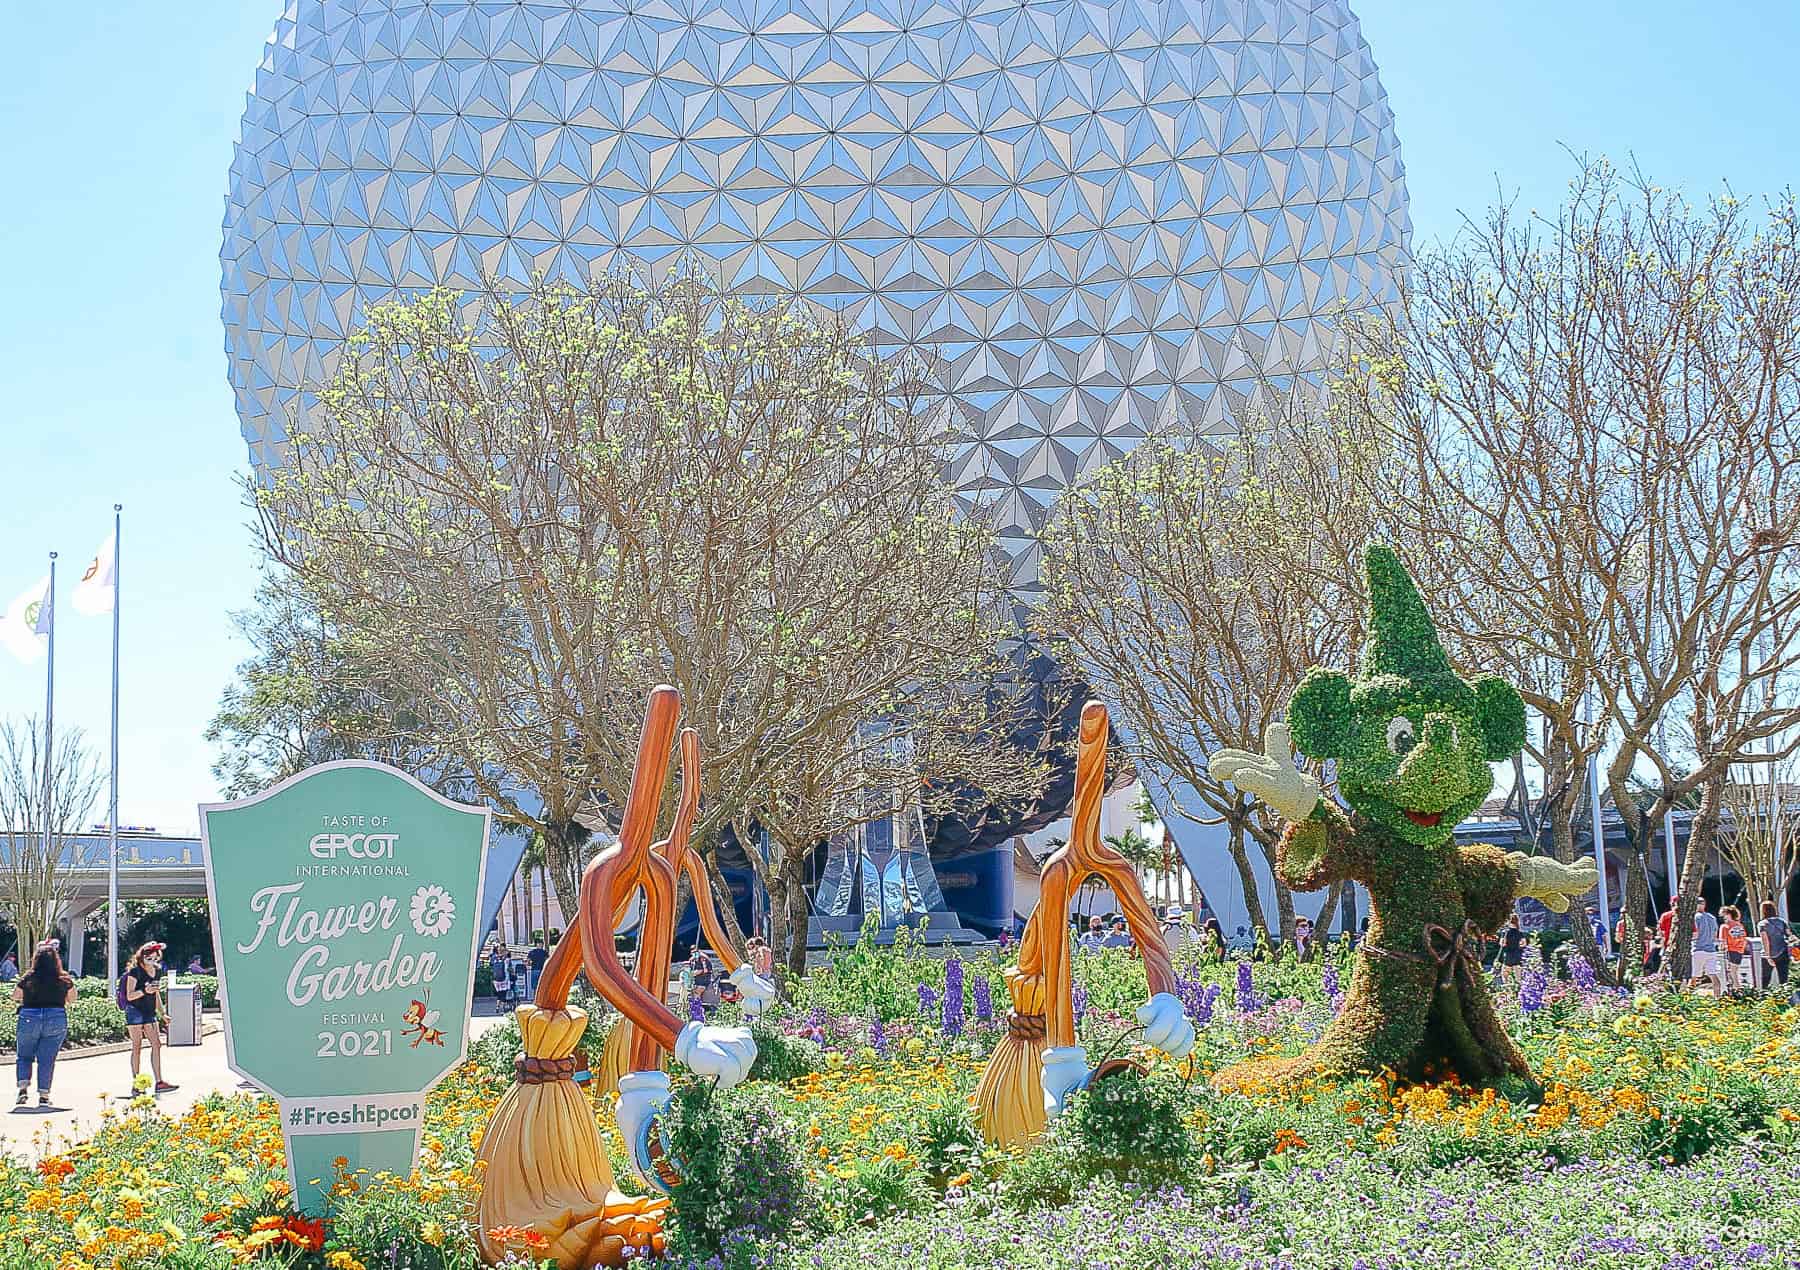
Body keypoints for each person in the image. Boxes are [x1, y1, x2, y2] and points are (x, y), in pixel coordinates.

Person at [12, 946, 76, 1107]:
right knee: (47, 1059)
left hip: (29, 1017)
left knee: (24, 1055)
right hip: (55, 1016)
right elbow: (72, 999)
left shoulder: (29, 977)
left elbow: (15, 996)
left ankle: (23, 1089)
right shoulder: (64, 979)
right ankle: (44, 1095)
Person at [122, 942, 177, 1095]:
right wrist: (144, 990)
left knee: (157, 1044)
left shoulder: (157, 971)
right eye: (149, 958)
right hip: (134, 1011)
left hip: (149, 1011)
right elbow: (130, 995)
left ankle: (159, 1081)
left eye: (155, 958)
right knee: (137, 1046)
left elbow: (156, 993)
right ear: (142, 957)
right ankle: (137, 1083)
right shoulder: (135, 972)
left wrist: (162, 1013)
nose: (153, 961)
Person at [1689, 897, 1725, 997]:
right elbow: (1714, 935)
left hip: (1698, 949)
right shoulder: (1712, 918)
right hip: (1711, 950)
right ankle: (1717, 997)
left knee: (1693, 976)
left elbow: (1695, 934)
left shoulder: (1695, 917)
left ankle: (1688, 998)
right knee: (1713, 975)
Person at [1760, 901, 1791, 989]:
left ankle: (1764, 998)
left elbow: (1765, 941)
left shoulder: (1763, 924)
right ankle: (1785, 997)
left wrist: (1768, 956)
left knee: (1765, 979)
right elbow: (1789, 934)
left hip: (1768, 954)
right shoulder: (1782, 922)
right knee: (1784, 979)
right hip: (1783, 952)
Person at [1720, 906, 1749, 994]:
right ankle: (1736, 989)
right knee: (1735, 971)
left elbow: (1722, 941)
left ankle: (1737, 990)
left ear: (1728, 914)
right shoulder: (1739, 925)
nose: (1722, 916)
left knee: (1732, 973)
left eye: (1723, 914)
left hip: (1730, 950)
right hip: (1739, 951)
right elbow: (1744, 938)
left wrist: (1721, 949)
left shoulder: (1724, 926)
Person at [1498, 913, 1527, 982]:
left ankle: (1507, 990)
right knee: (1519, 978)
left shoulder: (1505, 932)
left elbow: (1502, 943)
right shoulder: (1519, 932)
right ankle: (1519, 990)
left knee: (1505, 976)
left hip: (1508, 955)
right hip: (1518, 955)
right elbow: (1524, 944)